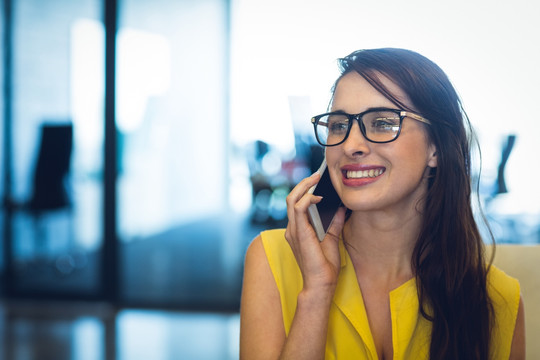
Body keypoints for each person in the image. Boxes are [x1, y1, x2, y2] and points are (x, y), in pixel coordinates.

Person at [239, 48, 525, 360]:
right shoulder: (271, 259)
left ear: (436, 148)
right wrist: (317, 291)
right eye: (338, 125)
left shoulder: (497, 298)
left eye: (383, 123)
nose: (350, 145)